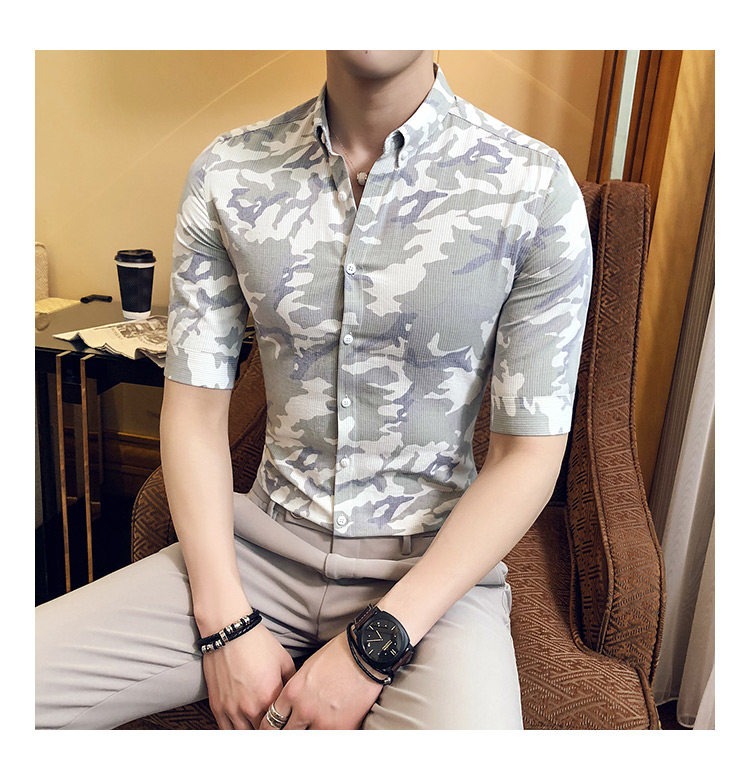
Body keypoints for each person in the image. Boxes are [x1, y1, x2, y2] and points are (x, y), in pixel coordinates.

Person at [35, 50, 593, 730]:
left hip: (432, 576)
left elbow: (527, 456)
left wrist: (374, 645)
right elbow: (194, 415)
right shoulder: (228, 172)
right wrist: (226, 621)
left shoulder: (534, 188)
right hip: (259, 550)